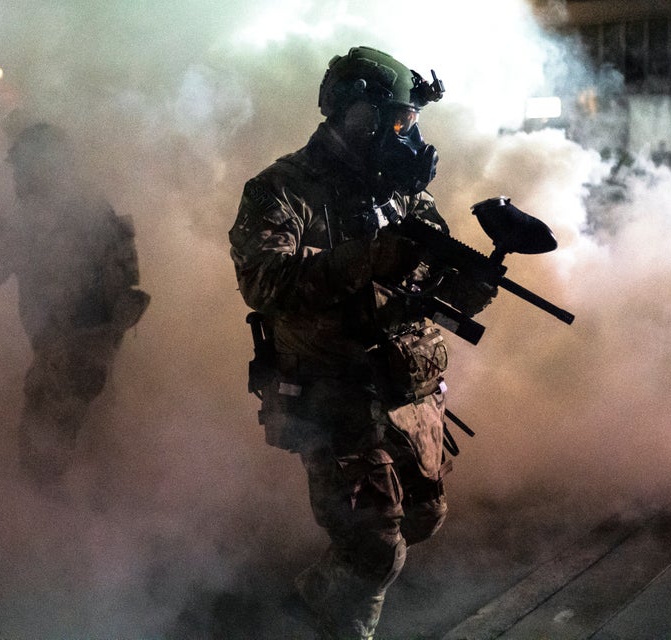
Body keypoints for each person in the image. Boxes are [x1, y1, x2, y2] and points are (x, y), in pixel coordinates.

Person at [228, 46, 495, 638]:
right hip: (333, 395)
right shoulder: (281, 188)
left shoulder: (399, 190)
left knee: (425, 516)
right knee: (375, 551)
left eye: (411, 122)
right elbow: (264, 282)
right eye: (399, 120)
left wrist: (469, 284)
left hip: (403, 390)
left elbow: (428, 285)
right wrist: (372, 256)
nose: (408, 134)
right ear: (357, 116)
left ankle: (315, 595)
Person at [0, 122, 150, 481]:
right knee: (94, 443)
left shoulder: (37, 215)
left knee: (42, 458)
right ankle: (101, 517)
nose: (17, 176)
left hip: (66, 351)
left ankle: (57, 529)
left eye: (21, 166)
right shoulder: (95, 206)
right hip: (102, 345)